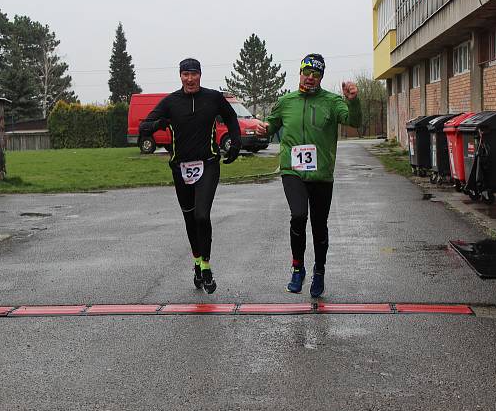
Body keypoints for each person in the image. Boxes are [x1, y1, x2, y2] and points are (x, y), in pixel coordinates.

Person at [256, 53, 361, 297]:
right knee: (298, 215)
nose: (310, 78)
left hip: (321, 175)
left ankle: (319, 271)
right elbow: (272, 124)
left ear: (321, 77)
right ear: (300, 73)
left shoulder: (332, 102)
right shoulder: (286, 101)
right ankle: (297, 268)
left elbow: (354, 122)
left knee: (319, 225)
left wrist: (353, 101)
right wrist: (265, 128)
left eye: (316, 75)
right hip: (292, 171)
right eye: (307, 73)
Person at [139, 58, 241, 293]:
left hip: (208, 165)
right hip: (181, 168)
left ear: (200, 75)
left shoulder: (213, 98)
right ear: (180, 76)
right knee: (189, 218)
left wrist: (235, 144)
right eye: (186, 74)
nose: (190, 78)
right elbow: (145, 126)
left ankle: (206, 267)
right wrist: (160, 123)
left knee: (202, 216)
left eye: (194, 74)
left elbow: (231, 118)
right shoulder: (171, 102)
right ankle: (197, 262)